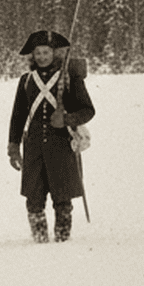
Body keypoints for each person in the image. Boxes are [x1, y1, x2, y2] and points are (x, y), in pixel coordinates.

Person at [7, 30, 94, 243]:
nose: (42, 57)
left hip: (62, 145)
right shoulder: (27, 80)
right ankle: (39, 240)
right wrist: (13, 146)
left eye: (46, 52)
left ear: (54, 53)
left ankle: (62, 239)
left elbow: (87, 110)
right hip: (34, 146)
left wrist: (66, 119)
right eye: (38, 53)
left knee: (62, 198)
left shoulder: (69, 78)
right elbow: (18, 116)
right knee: (33, 198)